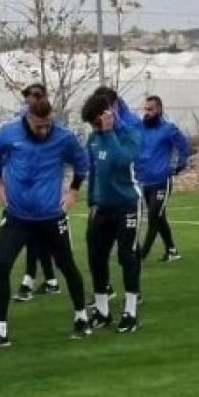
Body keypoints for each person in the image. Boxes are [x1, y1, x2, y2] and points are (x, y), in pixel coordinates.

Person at [0, 98, 91, 347]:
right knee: (0, 265)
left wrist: (73, 192)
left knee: (67, 265)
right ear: (28, 118)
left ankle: (81, 317)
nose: (43, 130)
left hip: (50, 217)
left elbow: (81, 163)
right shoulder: (9, 133)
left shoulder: (63, 137)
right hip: (17, 217)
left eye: (47, 124)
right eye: (38, 126)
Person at [81, 93, 144, 333]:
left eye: (97, 123)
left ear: (109, 114)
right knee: (96, 256)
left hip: (127, 204)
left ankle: (130, 312)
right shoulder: (93, 138)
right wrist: (92, 201)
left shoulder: (130, 134)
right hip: (102, 207)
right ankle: (102, 311)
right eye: (92, 125)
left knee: (127, 256)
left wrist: (108, 134)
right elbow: (94, 172)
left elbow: (122, 161)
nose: (95, 128)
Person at [134, 95, 190, 263]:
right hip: (144, 181)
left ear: (159, 110)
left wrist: (179, 165)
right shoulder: (139, 128)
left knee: (153, 216)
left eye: (150, 109)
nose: (147, 112)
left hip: (161, 181)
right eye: (145, 109)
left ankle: (142, 255)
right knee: (159, 217)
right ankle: (172, 250)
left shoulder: (168, 129)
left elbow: (184, 146)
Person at [15, 83, 58, 299]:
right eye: (27, 97)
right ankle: (49, 281)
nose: (30, 100)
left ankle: (29, 281)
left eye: (34, 96)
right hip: (26, 190)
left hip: (44, 193)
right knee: (37, 239)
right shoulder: (21, 121)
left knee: (36, 238)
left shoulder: (51, 126)